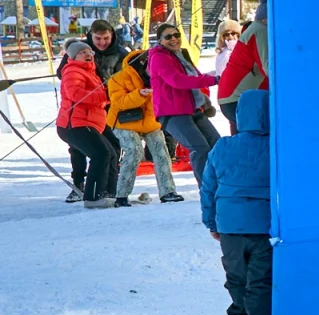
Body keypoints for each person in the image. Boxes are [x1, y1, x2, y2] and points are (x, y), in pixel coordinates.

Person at [199, 88, 275, 315]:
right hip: (265, 226)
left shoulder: (223, 146)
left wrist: (211, 222)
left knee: (236, 280)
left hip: (230, 227)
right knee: (261, 282)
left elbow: (208, 188)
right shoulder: (279, 147)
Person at [149, 22, 223, 188]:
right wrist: (212, 80)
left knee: (217, 143)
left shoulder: (181, 55)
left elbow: (194, 77)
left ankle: (220, 183)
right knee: (199, 147)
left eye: (176, 35)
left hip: (193, 109)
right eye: (168, 37)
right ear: (160, 40)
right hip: (173, 113)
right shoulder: (159, 57)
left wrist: (207, 88)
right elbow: (177, 81)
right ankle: (207, 189)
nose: (174, 39)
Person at [106, 42, 180, 205]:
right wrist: (139, 94)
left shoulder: (163, 77)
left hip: (150, 122)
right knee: (134, 151)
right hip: (123, 122)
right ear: (144, 64)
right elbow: (118, 102)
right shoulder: (119, 78)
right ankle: (121, 195)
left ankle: (168, 192)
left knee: (161, 152)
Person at [55, 38, 118, 209]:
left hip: (91, 122)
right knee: (101, 154)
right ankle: (93, 196)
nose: (88, 54)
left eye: (89, 51)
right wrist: (105, 96)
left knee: (112, 152)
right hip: (75, 124)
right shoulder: (72, 71)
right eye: (82, 52)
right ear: (74, 56)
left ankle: (109, 192)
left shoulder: (91, 71)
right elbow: (76, 94)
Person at [218, 0, 270, 115]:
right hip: (240, 98)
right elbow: (269, 68)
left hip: (233, 97)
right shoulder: (261, 30)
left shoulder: (254, 29)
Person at [212, 20, 243, 132]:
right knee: (234, 127)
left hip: (238, 91)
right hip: (226, 93)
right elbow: (220, 70)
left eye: (233, 33)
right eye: (226, 34)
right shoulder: (222, 52)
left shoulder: (241, 49)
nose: (230, 37)